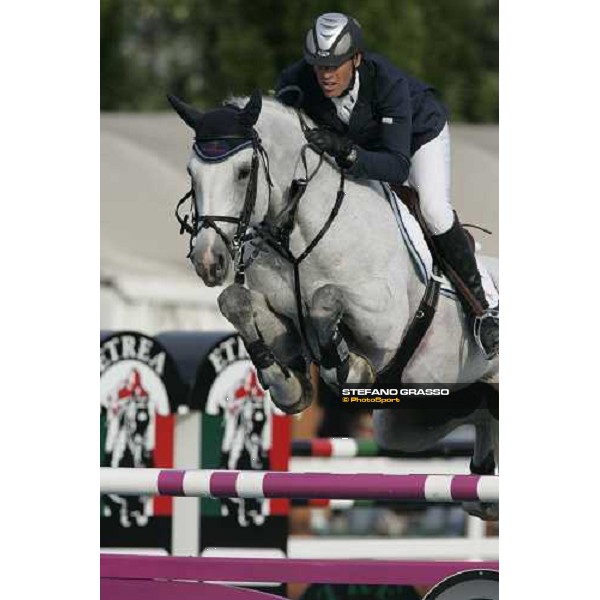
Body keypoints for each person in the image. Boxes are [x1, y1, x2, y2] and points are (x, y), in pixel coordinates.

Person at [275, 12, 499, 359]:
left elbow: (396, 165)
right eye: (319, 65)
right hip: (362, 145)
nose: (326, 75)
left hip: (417, 138)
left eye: (335, 65)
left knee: (433, 211)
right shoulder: (295, 82)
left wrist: (347, 153)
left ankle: (484, 311)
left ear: (357, 59)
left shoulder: (388, 83)